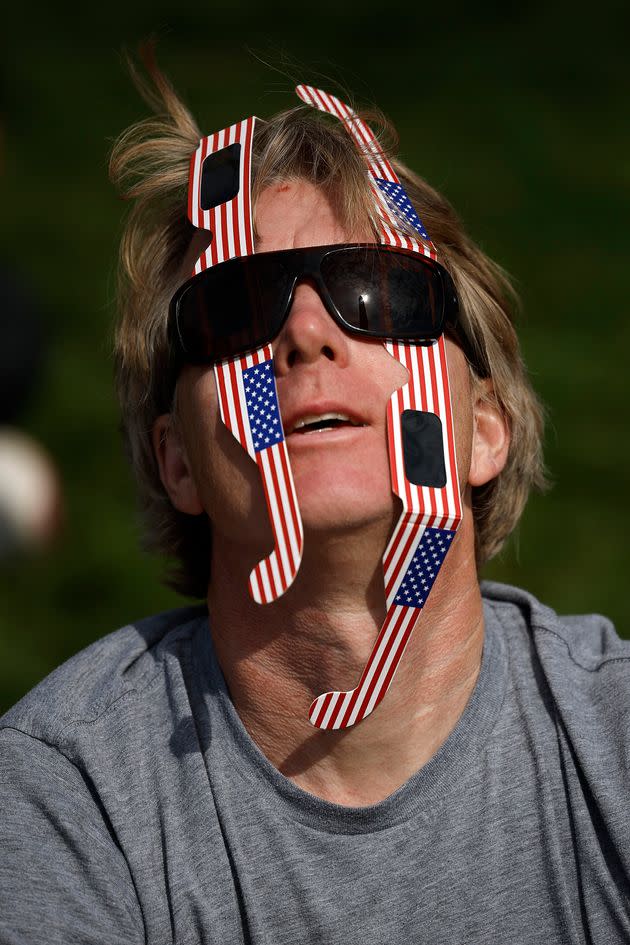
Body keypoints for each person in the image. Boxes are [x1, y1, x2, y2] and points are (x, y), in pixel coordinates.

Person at [1, 59, 629, 945]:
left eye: (378, 291)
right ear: (176, 460)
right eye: (235, 309)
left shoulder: (614, 745)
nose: (304, 334)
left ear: (484, 428)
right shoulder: (66, 796)